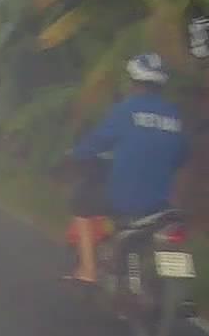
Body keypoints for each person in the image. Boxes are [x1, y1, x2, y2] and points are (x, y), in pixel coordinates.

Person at [67, 53, 190, 283]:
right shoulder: (175, 115)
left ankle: (88, 271)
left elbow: (95, 143)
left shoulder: (126, 110)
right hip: (162, 205)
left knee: (80, 202)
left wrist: (76, 155)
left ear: (133, 82)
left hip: (125, 199)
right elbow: (181, 156)